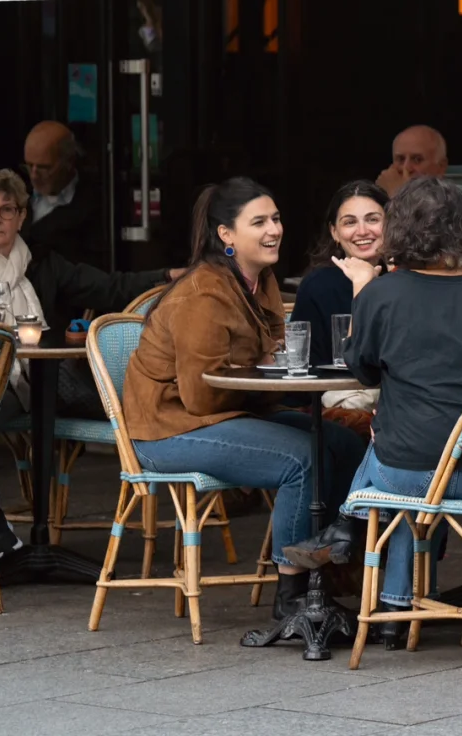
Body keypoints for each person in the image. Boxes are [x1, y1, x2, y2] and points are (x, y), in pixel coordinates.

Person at [287, 178, 462, 647]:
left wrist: (362, 294)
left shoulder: (383, 293)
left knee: (388, 460)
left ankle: (347, 526)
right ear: (461, 230)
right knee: (397, 460)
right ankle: (394, 612)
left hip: (411, 474)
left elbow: (364, 371)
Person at [122, 178, 365, 619]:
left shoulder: (260, 279)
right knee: (301, 458)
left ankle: (327, 576)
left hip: (230, 411)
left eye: (275, 218)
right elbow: (199, 396)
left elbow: (270, 349)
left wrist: (267, 372)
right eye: (259, 222)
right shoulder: (204, 293)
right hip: (171, 428)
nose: (274, 229)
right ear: (226, 235)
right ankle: (292, 595)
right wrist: (265, 379)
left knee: (341, 442)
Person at [0, 168, 173, 561]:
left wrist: (170, 275)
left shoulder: (42, 264)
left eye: (6, 210)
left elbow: (111, 287)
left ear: (22, 216)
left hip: (31, 386)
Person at [291, 181, 388, 437]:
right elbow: (308, 369)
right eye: (349, 222)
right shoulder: (318, 286)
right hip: (338, 408)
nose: (362, 231)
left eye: (373, 219)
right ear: (334, 232)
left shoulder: (406, 277)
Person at [21, 121, 104, 268]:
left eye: (44, 167)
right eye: (29, 165)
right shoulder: (15, 192)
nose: (34, 175)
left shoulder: (95, 203)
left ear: (69, 162)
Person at [376, 125, 448, 198]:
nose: (406, 168)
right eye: (401, 159)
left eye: (417, 160)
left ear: (441, 167)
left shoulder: (452, 203)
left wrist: (397, 194)